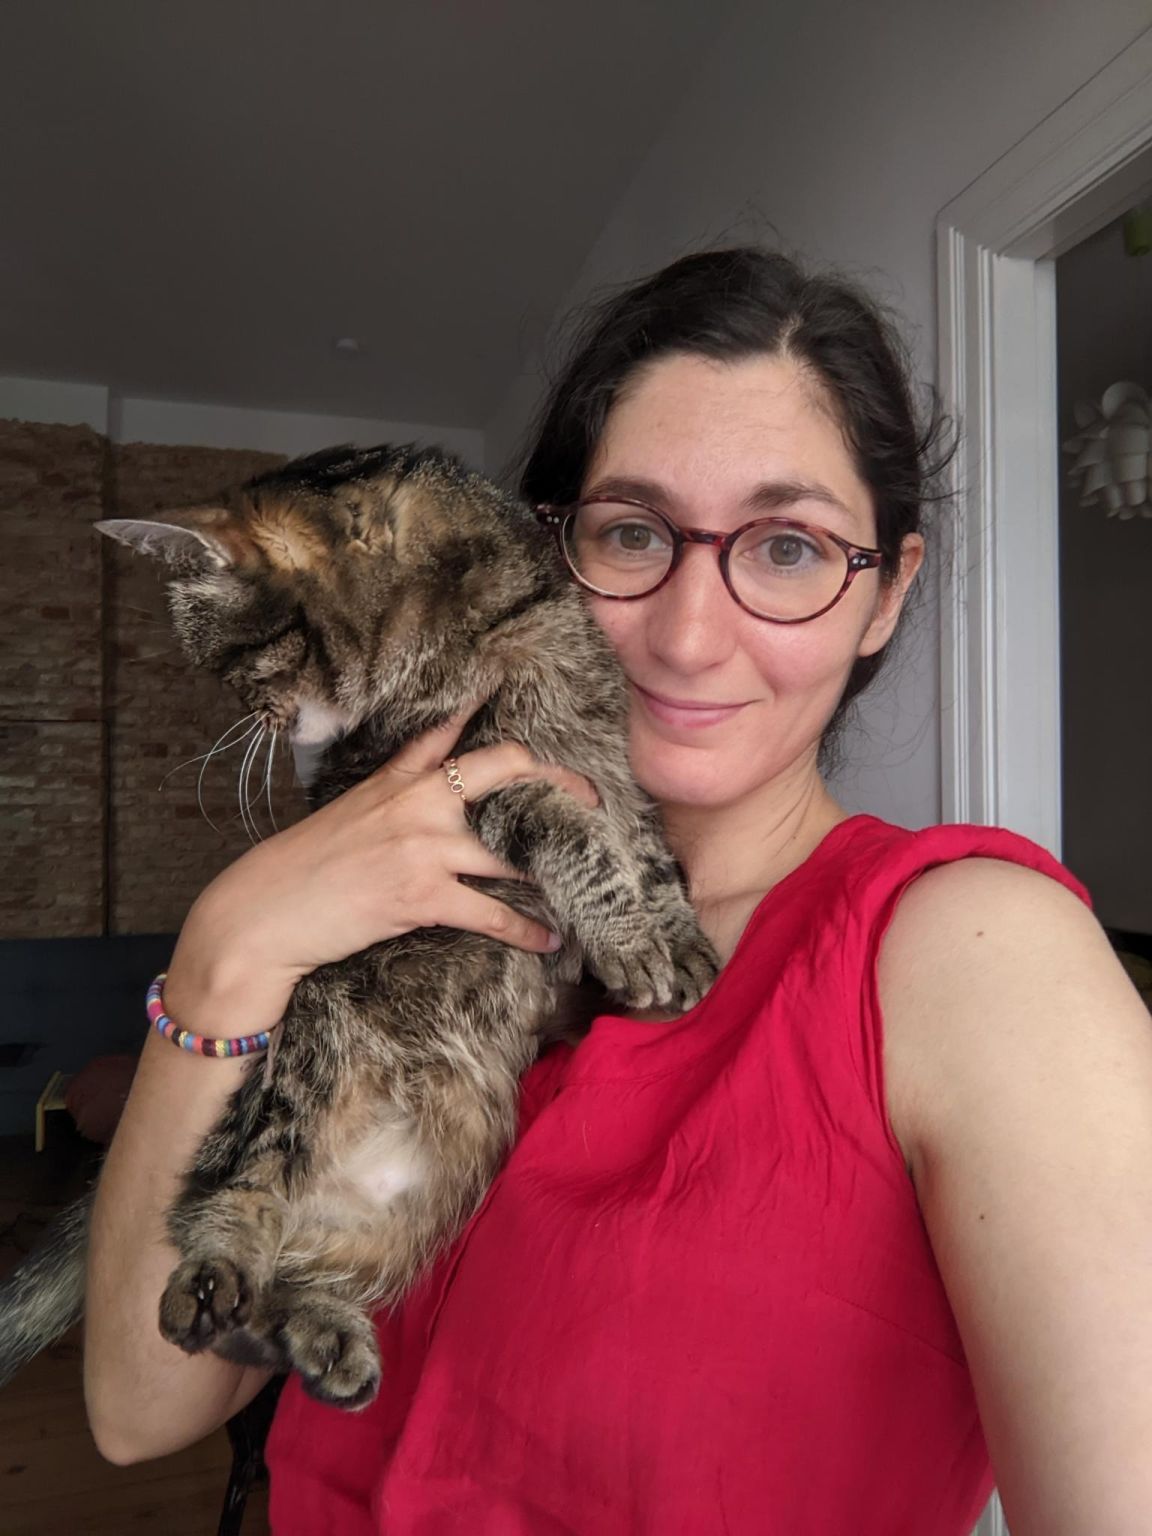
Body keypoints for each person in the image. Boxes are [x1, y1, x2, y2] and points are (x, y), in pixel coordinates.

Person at [84, 249, 1152, 1535]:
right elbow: (141, 1408)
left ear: (886, 595)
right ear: (549, 551)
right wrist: (228, 947)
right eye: (633, 533)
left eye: (790, 547)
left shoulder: (978, 956)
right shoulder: (408, 898)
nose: (690, 636)